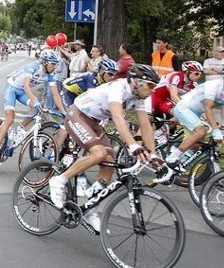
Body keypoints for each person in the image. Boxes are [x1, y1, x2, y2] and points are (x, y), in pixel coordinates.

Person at [49, 64, 161, 228]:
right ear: (137, 82)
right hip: (78, 115)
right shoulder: (119, 87)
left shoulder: (139, 98)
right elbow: (117, 117)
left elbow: (145, 125)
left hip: (94, 122)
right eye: (151, 85)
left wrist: (154, 154)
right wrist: (132, 145)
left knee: (109, 164)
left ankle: (90, 208)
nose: (153, 90)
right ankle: (59, 180)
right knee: (99, 153)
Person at [154, 62, 224, 184]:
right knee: (201, 131)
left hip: (196, 113)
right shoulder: (214, 85)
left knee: (196, 144)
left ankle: (170, 168)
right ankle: (172, 159)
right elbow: (208, 108)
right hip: (184, 107)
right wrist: (215, 130)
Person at [0, 50, 64, 167]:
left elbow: (56, 94)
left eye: (56, 64)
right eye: (53, 64)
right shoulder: (33, 67)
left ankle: (20, 129)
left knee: (36, 109)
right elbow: (27, 86)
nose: (55, 67)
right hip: (12, 88)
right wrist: (35, 100)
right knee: (10, 119)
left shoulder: (50, 75)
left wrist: (63, 111)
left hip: (22, 92)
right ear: (44, 62)